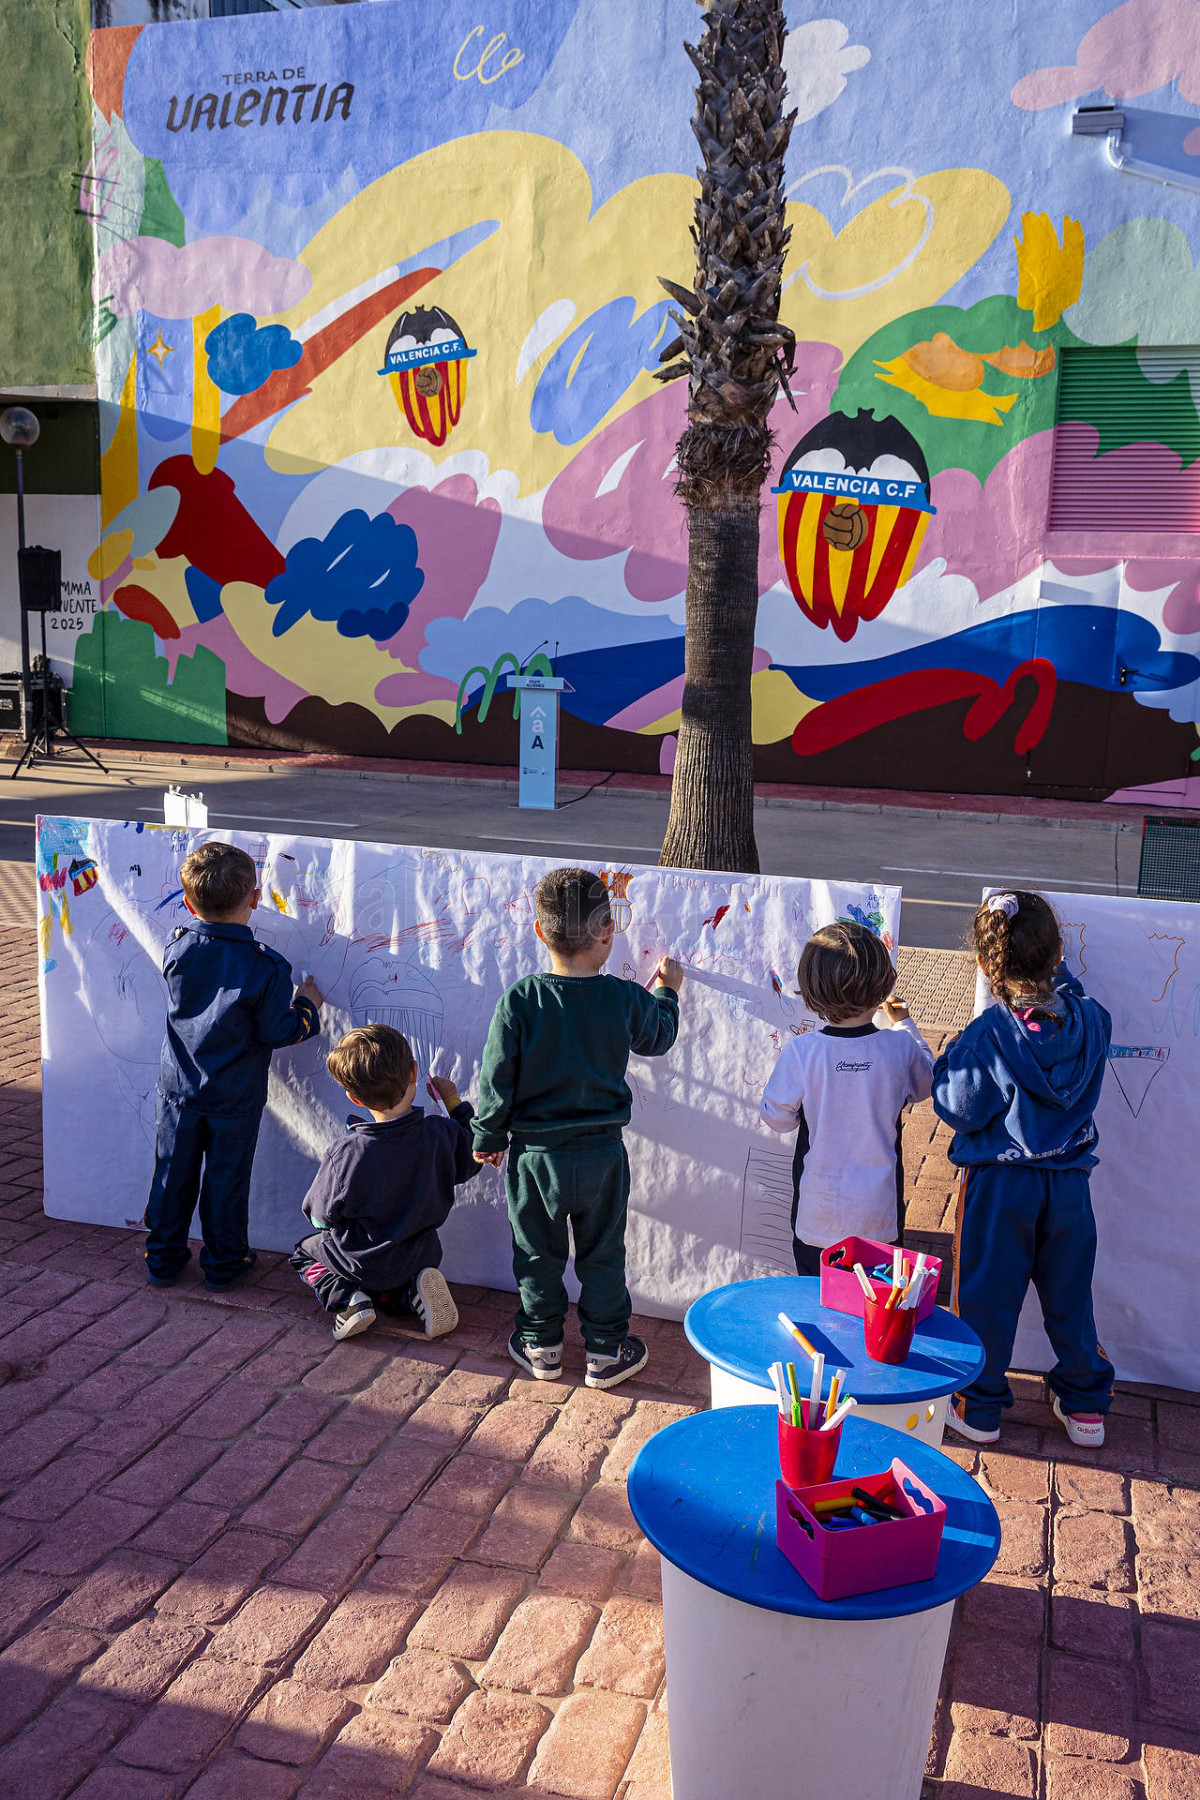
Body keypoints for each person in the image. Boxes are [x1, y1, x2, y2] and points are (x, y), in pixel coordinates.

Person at [472, 866, 683, 1389]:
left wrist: (488, 1137)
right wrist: (668, 992)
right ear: (608, 932)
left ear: (539, 931)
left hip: (534, 1159)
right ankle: (606, 1351)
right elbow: (658, 1037)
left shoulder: (520, 999)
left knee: (536, 1256)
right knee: (603, 1255)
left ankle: (540, 1345)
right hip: (601, 1159)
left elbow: (496, 1078)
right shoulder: (624, 998)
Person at [933, 890, 1114, 1449]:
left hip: (1000, 1186)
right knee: (1070, 1298)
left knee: (985, 1298)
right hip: (1069, 1186)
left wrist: (948, 1061)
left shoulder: (987, 1035)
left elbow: (958, 1107)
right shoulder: (1093, 1020)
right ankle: (1085, 1407)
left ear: (985, 965)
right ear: (1059, 953)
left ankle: (978, 1407)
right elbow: (1069, 999)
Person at [145, 841, 323, 1291]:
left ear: (189, 905)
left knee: (171, 1173)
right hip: (235, 1097)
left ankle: (162, 1260)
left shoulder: (178, 948)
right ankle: (224, 1264)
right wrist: (307, 1006)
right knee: (226, 1180)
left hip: (179, 1089)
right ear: (256, 898)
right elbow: (277, 1030)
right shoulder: (267, 967)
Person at [760, 919, 934, 1276]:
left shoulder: (803, 1052)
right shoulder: (899, 1047)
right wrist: (904, 1023)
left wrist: (805, 1112)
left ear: (811, 988)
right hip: (879, 1217)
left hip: (818, 1217)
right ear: (883, 983)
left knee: (815, 1295)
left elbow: (776, 1117)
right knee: (877, 1300)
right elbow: (928, 1082)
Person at [291, 1024, 479, 1341]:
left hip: (359, 1261)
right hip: (418, 1255)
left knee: (303, 1253)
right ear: (414, 1072)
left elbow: (319, 1217)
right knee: (392, 1289)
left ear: (353, 1097)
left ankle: (348, 1300)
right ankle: (413, 1294)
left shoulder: (347, 1153)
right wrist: (452, 1101)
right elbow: (473, 1151)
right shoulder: (440, 1135)